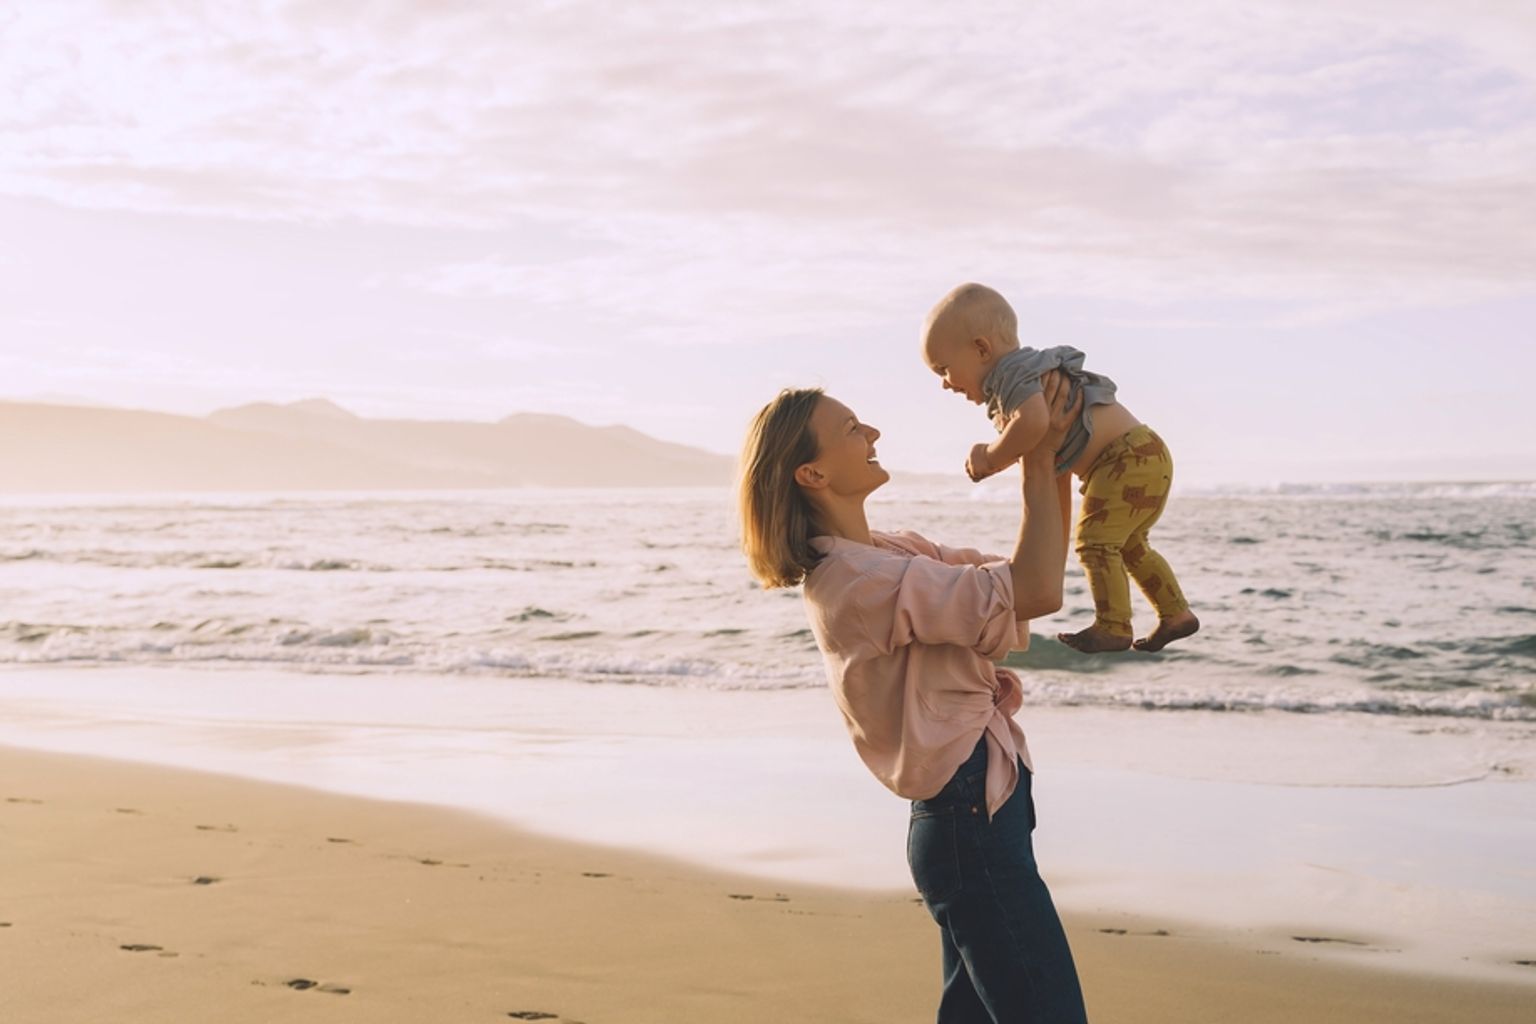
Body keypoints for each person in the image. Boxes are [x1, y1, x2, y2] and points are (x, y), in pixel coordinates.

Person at [737, 374, 1089, 1023]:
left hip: (976, 815)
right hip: (966, 823)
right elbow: (1034, 585)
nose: (872, 433)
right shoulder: (858, 580)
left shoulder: (888, 554)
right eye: (852, 429)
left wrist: (1057, 456)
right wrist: (1036, 450)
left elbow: (1031, 575)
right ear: (811, 474)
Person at [921, 281, 1199, 655]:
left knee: (1095, 544)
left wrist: (990, 457)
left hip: (1123, 459)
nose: (943, 384)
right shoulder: (1026, 373)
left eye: (944, 369)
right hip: (1144, 455)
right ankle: (1175, 613)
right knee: (1129, 546)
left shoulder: (1011, 375)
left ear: (982, 349)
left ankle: (1113, 626)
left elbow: (1034, 423)